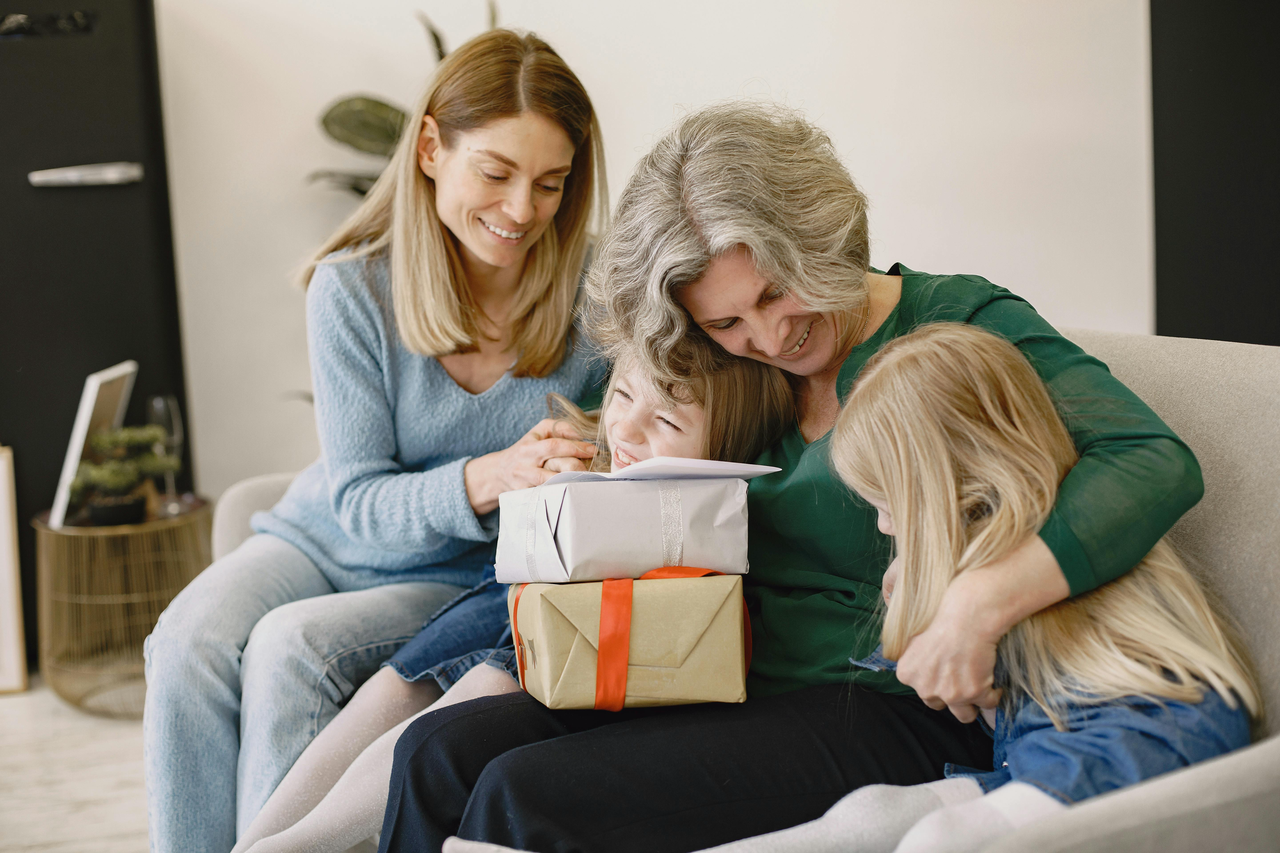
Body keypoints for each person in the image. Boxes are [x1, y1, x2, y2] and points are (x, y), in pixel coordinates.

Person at [375, 102, 1211, 853]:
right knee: (435, 754)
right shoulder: (729, 362)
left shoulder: (953, 327)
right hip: (718, 666)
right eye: (728, 320)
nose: (771, 337)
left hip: (888, 699)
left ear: (822, 236)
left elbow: (1151, 458)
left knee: (523, 797)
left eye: (781, 293)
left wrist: (977, 604)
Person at [142, 30, 610, 853]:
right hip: (322, 536)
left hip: (461, 575)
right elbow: (355, 498)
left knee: (290, 648)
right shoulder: (354, 285)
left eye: (550, 183)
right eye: (495, 173)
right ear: (430, 147)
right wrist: (490, 476)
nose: (520, 211)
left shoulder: (597, 301)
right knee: (183, 641)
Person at [680, 322, 1256, 853]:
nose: (883, 526)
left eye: (887, 505)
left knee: (941, 839)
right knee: (869, 815)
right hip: (1038, 753)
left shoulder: (1024, 560)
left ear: (943, 492)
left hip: (1135, 738)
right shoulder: (988, 549)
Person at [230, 345, 793, 853]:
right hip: (514, 589)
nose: (627, 429)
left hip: (594, 619)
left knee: (486, 682)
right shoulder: (595, 449)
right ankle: (258, 844)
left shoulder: (716, 513)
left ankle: (296, 845)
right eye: (621, 394)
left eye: (667, 421)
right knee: (401, 681)